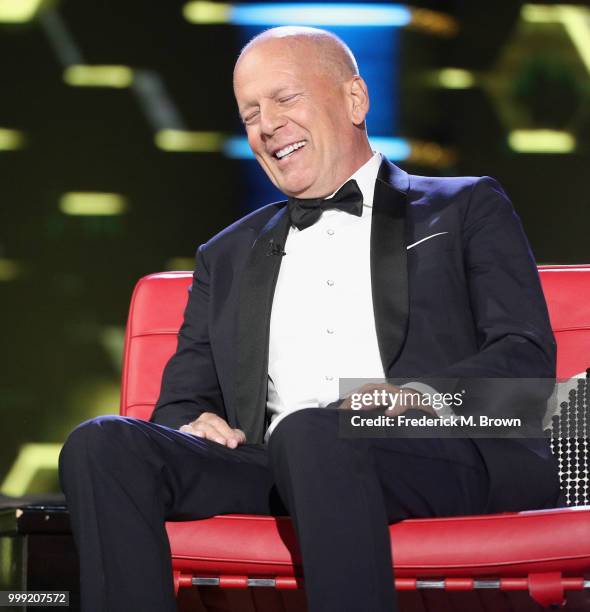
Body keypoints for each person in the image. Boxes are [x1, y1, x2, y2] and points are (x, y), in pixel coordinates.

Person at [59, 26, 562, 612]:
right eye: (250, 113)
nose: (266, 125)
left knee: (310, 431)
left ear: (354, 99)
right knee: (103, 444)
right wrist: (195, 422)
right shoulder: (225, 255)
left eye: (285, 98)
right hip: (276, 462)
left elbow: (525, 364)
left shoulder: (465, 205)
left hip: (436, 454)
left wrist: (416, 395)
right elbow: (180, 404)